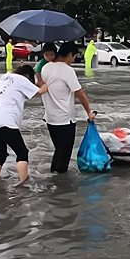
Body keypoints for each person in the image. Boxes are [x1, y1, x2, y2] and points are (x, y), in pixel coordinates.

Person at [0, 64, 48, 184]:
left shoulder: (5, 77)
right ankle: (24, 182)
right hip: (7, 122)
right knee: (22, 152)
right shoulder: (23, 80)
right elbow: (40, 91)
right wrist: (43, 83)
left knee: (0, 154)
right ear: (28, 76)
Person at [41, 42, 96, 174]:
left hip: (50, 119)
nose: (73, 60)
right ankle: (61, 188)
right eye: (74, 57)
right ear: (70, 54)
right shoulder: (67, 70)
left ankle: (53, 180)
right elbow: (80, 93)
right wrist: (89, 111)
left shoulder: (46, 68)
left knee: (58, 150)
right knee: (64, 153)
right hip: (65, 119)